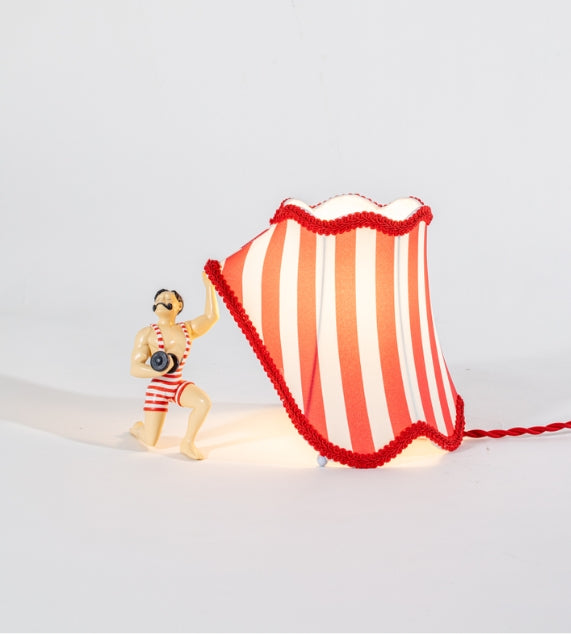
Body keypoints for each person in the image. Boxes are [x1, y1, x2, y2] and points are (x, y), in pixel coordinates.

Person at [130, 272, 219, 459]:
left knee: (203, 403)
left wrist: (209, 286)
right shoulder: (146, 333)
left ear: (178, 306)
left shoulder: (188, 329)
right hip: (158, 388)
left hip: (176, 384)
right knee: (150, 441)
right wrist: (156, 370)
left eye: (168, 299)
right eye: (159, 299)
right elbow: (135, 368)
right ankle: (138, 428)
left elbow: (211, 317)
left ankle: (187, 443)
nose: (163, 300)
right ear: (154, 306)